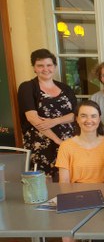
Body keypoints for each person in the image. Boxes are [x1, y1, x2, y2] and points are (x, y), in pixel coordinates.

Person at [17, 48, 77, 181]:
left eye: (49, 65)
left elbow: (76, 115)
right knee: (45, 183)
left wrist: (56, 121)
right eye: (40, 65)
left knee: (69, 181)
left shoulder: (65, 88)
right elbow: (32, 118)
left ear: (55, 67)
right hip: (42, 145)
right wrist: (58, 141)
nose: (45, 69)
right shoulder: (27, 87)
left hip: (68, 144)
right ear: (34, 68)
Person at [56, 100, 104, 183]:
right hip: (75, 194)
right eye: (83, 116)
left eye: (93, 116)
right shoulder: (66, 146)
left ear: (99, 119)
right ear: (77, 119)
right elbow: (64, 182)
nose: (89, 120)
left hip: (103, 193)